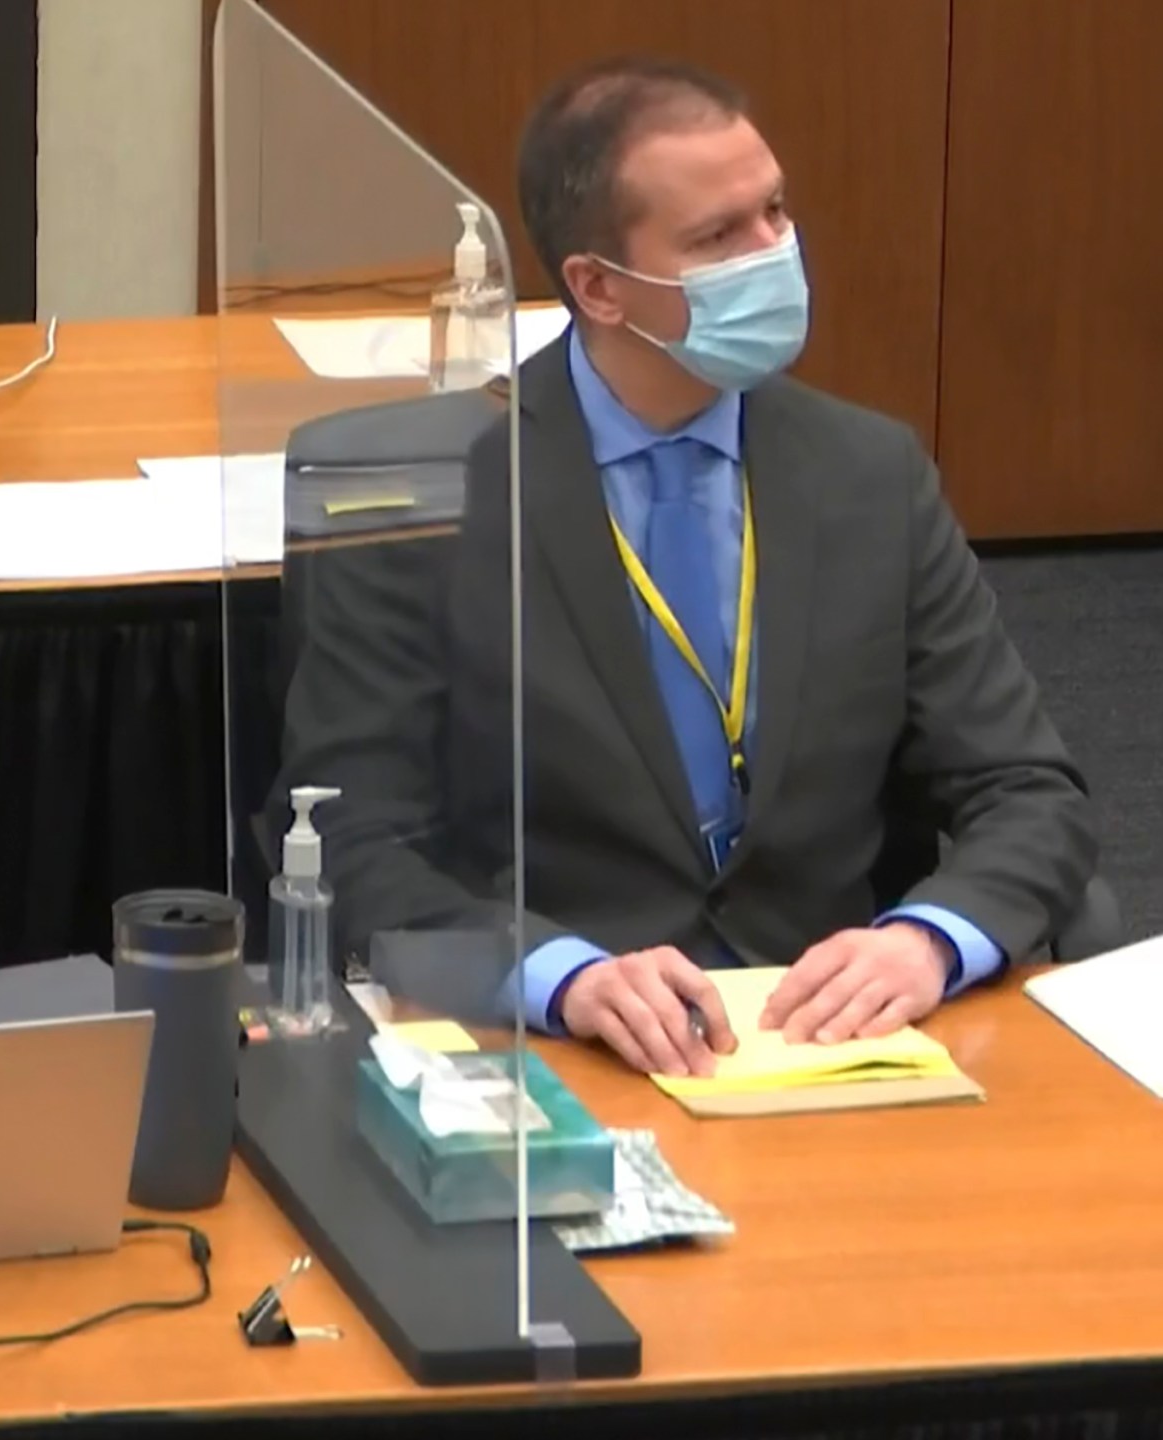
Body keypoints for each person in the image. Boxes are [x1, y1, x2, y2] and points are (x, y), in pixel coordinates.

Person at [273, 57, 1097, 1078]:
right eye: (718, 237)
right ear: (598, 287)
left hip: (834, 1046)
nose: (773, 254)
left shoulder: (869, 473)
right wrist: (559, 974)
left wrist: (929, 937)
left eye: (774, 212)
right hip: (555, 1050)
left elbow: (1027, 789)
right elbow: (346, 848)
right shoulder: (424, 502)